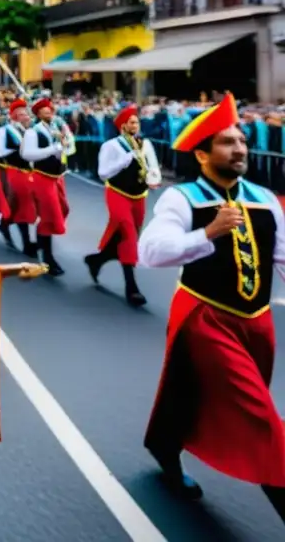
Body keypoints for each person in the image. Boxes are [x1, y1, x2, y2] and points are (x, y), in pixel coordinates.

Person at [137, 93, 285, 523]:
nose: (239, 148)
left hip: (257, 323)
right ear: (202, 153)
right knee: (259, 415)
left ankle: (164, 446)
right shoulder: (181, 199)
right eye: (226, 142)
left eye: (241, 140)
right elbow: (152, 251)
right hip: (205, 316)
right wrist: (208, 231)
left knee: (189, 393)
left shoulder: (265, 199)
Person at [86, 104, 161, 306]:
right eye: (132, 122)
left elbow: (153, 165)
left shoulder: (145, 144)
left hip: (139, 194)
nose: (136, 125)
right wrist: (125, 160)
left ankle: (97, 260)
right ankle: (132, 287)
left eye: (137, 122)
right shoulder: (111, 146)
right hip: (117, 193)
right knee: (127, 232)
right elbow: (103, 173)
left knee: (129, 235)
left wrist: (154, 178)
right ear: (123, 125)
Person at [21, 98, 69, 275]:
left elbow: (63, 150)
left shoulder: (54, 129)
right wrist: (54, 148)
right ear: (38, 113)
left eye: (50, 108)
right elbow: (28, 155)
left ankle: (41, 245)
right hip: (42, 178)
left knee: (63, 209)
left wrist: (63, 146)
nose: (49, 111)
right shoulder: (32, 132)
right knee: (49, 216)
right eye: (44, 109)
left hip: (56, 177)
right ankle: (48, 258)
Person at [0, 99, 35, 255]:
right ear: (14, 117)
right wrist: (15, 152)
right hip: (13, 172)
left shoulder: (30, 132)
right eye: (21, 114)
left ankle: (4, 223)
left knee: (22, 206)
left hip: (29, 173)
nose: (25, 117)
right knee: (24, 206)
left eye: (26, 114)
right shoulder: (5, 131)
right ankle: (27, 244)